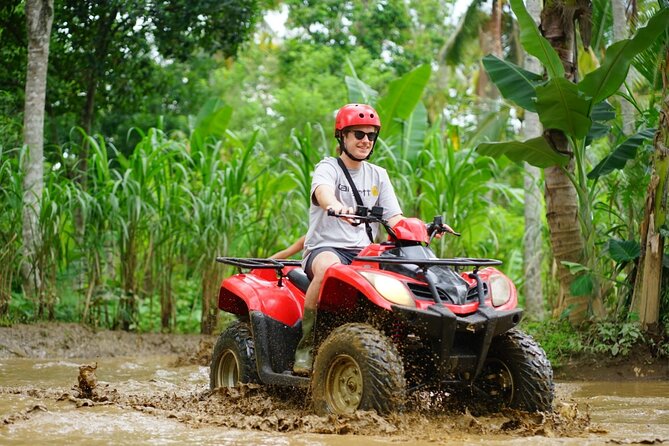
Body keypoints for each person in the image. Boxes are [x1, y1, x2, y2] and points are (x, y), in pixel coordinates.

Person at [293, 103, 405, 375]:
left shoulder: (379, 175)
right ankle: (305, 348)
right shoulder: (328, 168)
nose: (365, 141)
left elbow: (394, 218)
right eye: (358, 134)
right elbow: (323, 192)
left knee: (407, 277)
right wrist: (335, 205)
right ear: (342, 136)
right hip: (326, 248)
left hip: (366, 254)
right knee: (330, 270)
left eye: (371, 136)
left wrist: (419, 229)